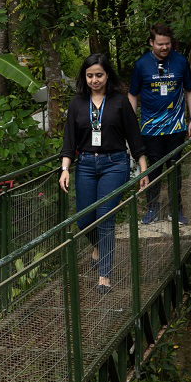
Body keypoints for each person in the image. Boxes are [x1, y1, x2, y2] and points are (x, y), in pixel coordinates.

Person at [60, 54, 148, 292]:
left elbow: (134, 136)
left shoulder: (119, 101)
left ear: (107, 75)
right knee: (84, 219)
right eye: (90, 76)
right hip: (86, 164)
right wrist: (65, 169)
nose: (94, 80)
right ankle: (99, 247)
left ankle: (104, 276)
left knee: (105, 217)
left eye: (99, 75)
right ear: (84, 77)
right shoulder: (77, 103)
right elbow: (69, 140)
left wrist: (143, 168)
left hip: (115, 163)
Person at [128, 23, 191, 224]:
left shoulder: (180, 61)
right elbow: (132, 95)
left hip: (176, 127)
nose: (164, 48)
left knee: (174, 168)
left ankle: (176, 210)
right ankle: (153, 209)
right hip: (150, 128)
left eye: (167, 44)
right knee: (154, 170)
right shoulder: (141, 64)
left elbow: (190, 89)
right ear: (151, 42)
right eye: (160, 44)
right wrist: (131, 125)